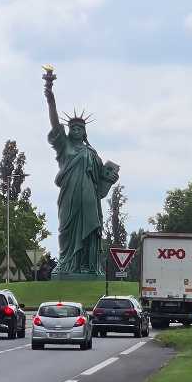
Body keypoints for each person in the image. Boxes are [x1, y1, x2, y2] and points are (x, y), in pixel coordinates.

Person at [43, 69, 119, 276]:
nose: (76, 129)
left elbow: (101, 184)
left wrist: (110, 178)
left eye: (80, 127)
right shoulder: (64, 146)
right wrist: (50, 98)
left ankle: (88, 265)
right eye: (73, 127)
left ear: (85, 131)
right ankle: (67, 263)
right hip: (69, 196)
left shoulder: (91, 153)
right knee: (66, 230)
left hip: (89, 198)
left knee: (90, 230)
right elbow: (54, 122)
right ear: (68, 130)